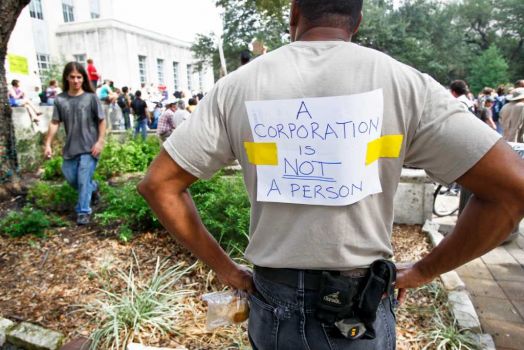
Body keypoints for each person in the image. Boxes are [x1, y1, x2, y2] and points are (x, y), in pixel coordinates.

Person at [138, 1, 524, 349]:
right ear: (357, 21)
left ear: (294, 15)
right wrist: (426, 270)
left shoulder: (237, 87)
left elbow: (159, 185)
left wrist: (229, 272)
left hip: (274, 304)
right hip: (358, 311)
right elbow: (512, 189)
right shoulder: (406, 85)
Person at [44, 62, 106, 225]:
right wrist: (48, 144)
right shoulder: (60, 100)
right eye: (72, 77)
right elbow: (55, 122)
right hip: (70, 149)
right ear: (66, 78)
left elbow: (101, 121)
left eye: (79, 77)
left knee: (83, 179)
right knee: (72, 179)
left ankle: (83, 211)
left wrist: (100, 142)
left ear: (83, 78)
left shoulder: (91, 98)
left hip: (89, 147)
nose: (76, 80)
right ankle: (94, 187)